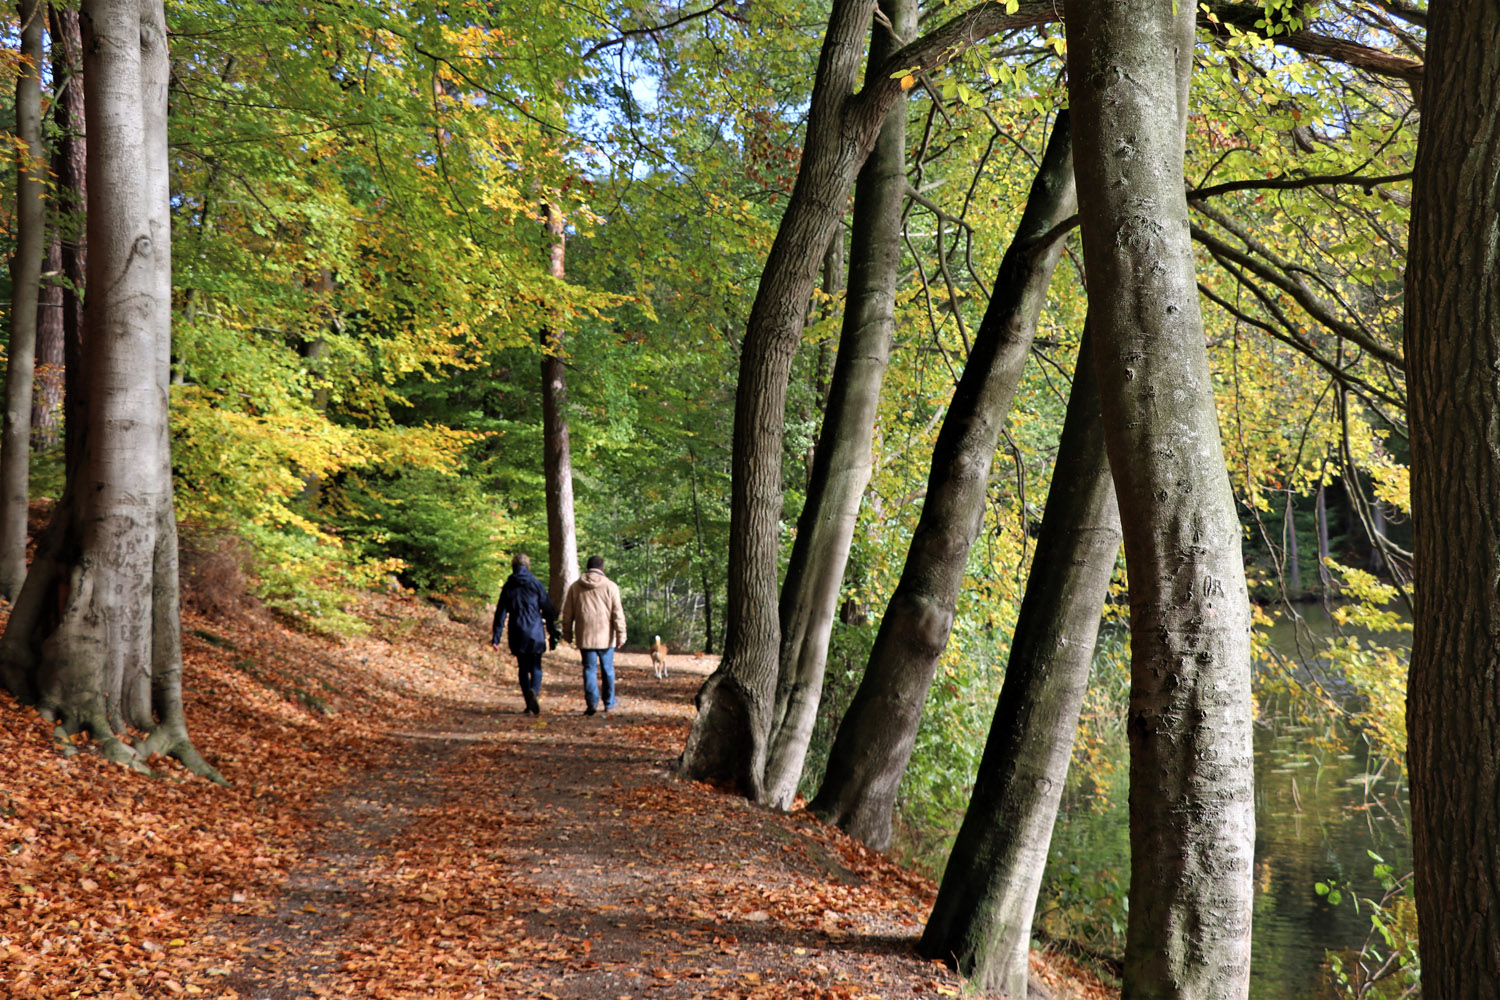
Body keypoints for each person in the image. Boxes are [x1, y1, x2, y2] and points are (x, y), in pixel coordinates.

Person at [491, 552, 559, 715]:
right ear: (528, 566)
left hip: (517, 630)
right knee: (536, 665)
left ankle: (529, 704)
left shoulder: (509, 586)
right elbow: (548, 609)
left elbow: (500, 613)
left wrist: (496, 637)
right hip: (535, 629)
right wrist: (551, 630)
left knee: (522, 667)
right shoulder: (536, 584)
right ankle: (534, 691)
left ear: (513, 567)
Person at [560, 554, 627, 716]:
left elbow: (567, 614)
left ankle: (592, 703)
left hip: (585, 636)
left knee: (589, 669)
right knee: (608, 670)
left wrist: (567, 634)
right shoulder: (611, 586)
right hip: (606, 636)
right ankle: (609, 703)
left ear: (587, 567)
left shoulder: (575, 587)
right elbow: (617, 613)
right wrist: (621, 635)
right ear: (602, 568)